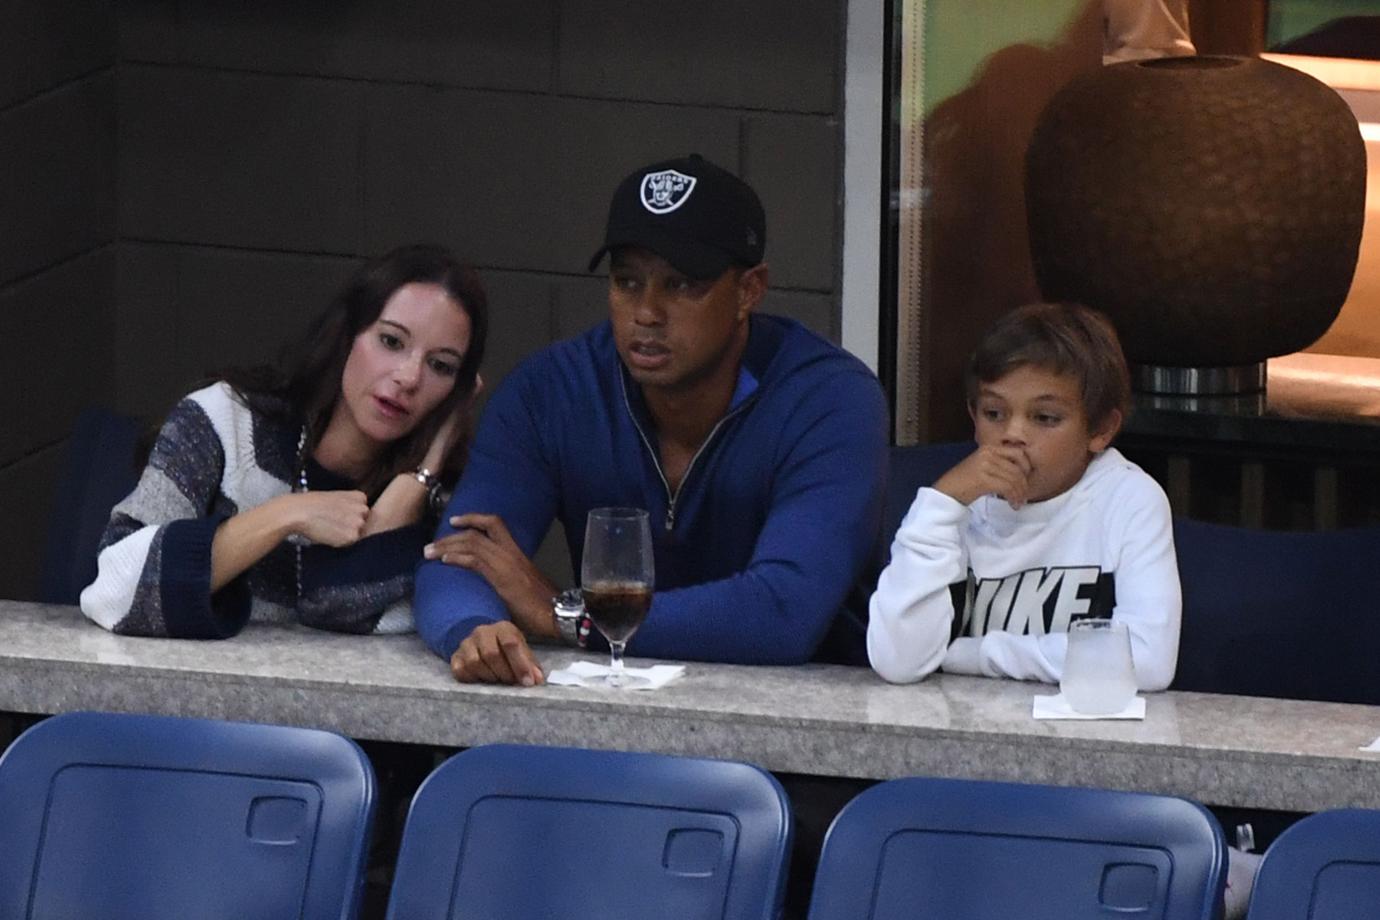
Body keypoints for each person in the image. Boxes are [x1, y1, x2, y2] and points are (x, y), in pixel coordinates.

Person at [413, 153, 889, 685]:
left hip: (802, 736)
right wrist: (476, 631)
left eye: (682, 285)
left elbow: (784, 613)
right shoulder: (553, 390)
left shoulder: (828, 398)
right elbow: (455, 558)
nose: (647, 312)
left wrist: (567, 617)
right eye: (627, 281)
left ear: (749, 290)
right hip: (616, 718)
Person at [80, 244, 488, 639]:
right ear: (348, 335)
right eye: (391, 342)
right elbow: (113, 590)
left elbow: (339, 606)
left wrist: (421, 474)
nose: (409, 377)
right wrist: (286, 515)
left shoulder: (444, 499)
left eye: (440, 366)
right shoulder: (226, 421)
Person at [868, 301, 1180, 689]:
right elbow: (898, 662)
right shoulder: (954, 504)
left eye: (1045, 418)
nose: (1012, 434)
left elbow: (1147, 660)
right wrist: (940, 505)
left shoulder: (1130, 499)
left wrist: (974, 654)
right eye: (994, 413)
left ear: (1101, 429)